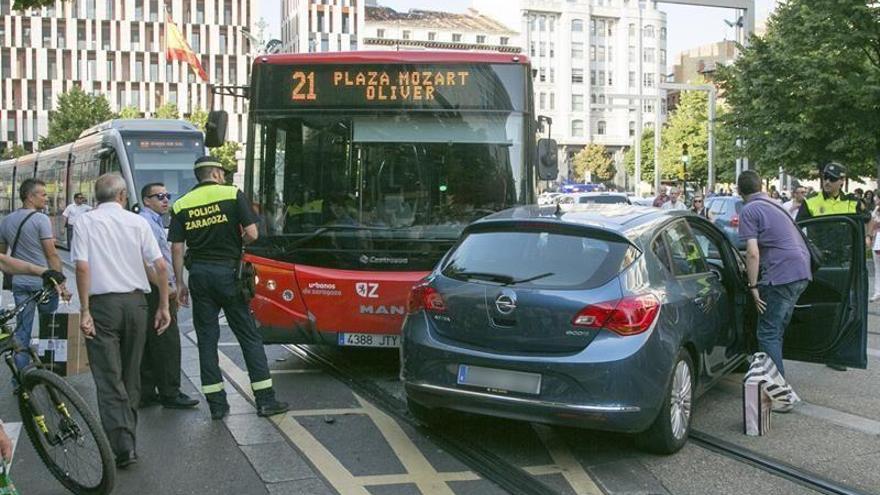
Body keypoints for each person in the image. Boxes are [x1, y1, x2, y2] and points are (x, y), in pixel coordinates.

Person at [170, 156, 289, 421]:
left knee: (207, 340)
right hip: (229, 274)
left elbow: (177, 248)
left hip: (199, 274)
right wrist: (239, 243)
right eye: (222, 173)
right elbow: (253, 233)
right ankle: (265, 400)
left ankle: (217, 405)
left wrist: (179, 283)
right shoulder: (232, 194)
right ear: (214, 173)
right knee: (248, 336)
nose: (223, 177)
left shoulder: (181, 204)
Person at [72, 173, 171, 469]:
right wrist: (163, 305)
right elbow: (160, 266)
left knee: (107, 375)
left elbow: (81, 267)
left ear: (97, 197)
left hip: (103, 306)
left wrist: (85, 309)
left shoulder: (84, 222)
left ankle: (123, 444)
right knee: (131, 373)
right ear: (122, 196)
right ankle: (129, 437)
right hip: (136, 304)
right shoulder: (138, 222)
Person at [738, 170, 811, 411]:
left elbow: (752, 252)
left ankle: (780, 395)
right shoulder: (775, 204)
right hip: (801, 271)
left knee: (767, 333)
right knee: (776, 329)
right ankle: (777, 381)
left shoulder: (749, 209)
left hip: (780, 275)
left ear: (740, 192)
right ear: (761, 186)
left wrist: (753, 286)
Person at [797, 162, 863, 371]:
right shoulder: (811, 202)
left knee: (847, 306)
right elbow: (798, 230)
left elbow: (865, 221)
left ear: (842, 181)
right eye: (825, 177)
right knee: (822, 305)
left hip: (845, 261)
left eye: (832, 178)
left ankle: (837, 352)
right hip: (821, 261)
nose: (827, 181)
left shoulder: (853, 202)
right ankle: (820, 347)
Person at [138, 183, 198, 410]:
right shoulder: (147, 223)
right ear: (146, 200)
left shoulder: (152, 221)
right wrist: (168, 288)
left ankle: (147, 390)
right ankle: (170, 393)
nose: (165, 200)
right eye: (159, 196)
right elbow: (149, 261)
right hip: (157, 288)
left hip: (151, 287)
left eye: (167, 196)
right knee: (167, 341)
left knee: (151, 340)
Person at [0, 178, 68, 372]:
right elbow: (51, 254)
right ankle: (49, 375)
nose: (46, 198)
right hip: (44, 283)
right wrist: (60, 283)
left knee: (22, 332)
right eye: (43, 194)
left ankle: (20, 379)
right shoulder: (41, 219)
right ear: (30, 197)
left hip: (20, 283)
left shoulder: (6, 221)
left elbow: (3, 256)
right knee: (48, 328)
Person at [869, 195, 880, 302]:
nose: (876, 201)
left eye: (877, 199)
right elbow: (871, 223)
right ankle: (877, 291)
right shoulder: (876, 210)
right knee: (877, 266)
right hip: (877, 240)